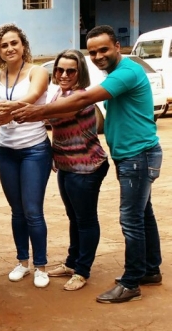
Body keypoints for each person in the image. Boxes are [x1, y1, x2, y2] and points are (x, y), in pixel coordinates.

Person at [13, 25, 162, 304]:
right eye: (92, 51)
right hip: (127, 156)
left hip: (136, 156)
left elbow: (82, 100)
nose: (97, 55)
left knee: (130, 220)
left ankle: (131, 282)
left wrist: (35, 111)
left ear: (118, 46)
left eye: (103, 49)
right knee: (143, 215)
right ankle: (149, 270)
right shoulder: (113, 75)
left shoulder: (126, 72)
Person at [0, 23, 53, 289]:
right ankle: (22, 262)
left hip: (35, 149)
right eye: (4, 45)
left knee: (33, 211)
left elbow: (33, 96)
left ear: (23, 45)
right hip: (6, 152)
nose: (10, 48)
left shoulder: (37, 72)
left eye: (14, 43)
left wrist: (4, 109)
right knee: (17, 211)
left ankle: (41, 266)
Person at [43, 50, 110, 291]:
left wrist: (16, 112)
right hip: (67, 166)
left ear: (79, 72)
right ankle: (72, 262)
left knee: (86, 219)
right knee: (74, 217)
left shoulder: (81, 97)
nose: (63, 74)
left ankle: (82, 270)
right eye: (60, 69)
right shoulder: (60, 92)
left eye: (70, 70)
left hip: (87, 167)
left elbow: (52, 117)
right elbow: (57, 130)